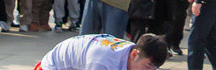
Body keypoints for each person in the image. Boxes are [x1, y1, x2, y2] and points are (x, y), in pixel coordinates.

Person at [38, 32, 168, 69]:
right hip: (52, 66)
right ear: (134, 55)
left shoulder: (133, 51)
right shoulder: (103, 62)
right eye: (148, 67)